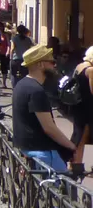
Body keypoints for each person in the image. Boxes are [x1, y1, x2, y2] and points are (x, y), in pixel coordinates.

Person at [13, 44, 81, 175]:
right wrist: (71, 146)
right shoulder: (36, 91)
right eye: (51, 62)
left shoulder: (21, 84)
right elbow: (49, 127)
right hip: (42, 153)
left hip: (28, 149)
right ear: (40, 65)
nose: (54, 65)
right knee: (62, 192)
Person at [67, 46, 93, 156]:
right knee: (83, 138)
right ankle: (75, 165)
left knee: (79, 137)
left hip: (78, 106)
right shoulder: (90, 70)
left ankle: (73, 164)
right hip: (87, 109)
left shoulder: (79, 66)